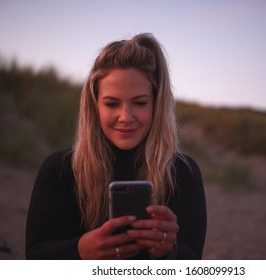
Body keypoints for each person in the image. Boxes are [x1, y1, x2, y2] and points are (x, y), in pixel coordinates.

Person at [25, 33, 207, 260]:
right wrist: (80, 251)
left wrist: (168, 251)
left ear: (156, 104)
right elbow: (35, 256)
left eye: (139, 103)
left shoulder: (182, 172)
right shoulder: (60, 169)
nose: (125, 117)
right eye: (112, 103)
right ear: (95, 105)